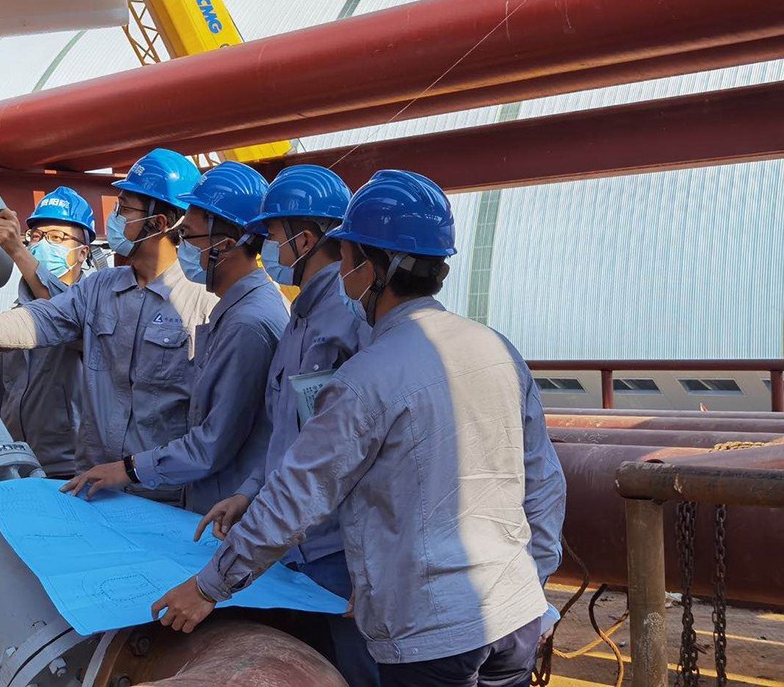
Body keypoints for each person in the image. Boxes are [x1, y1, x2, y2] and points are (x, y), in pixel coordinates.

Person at [151, 170, 566, 687]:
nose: (342, 270)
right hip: (514, 616)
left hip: (433, 631)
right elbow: (545, 480)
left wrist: (209, 587)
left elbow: (300, 493)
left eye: (347, 256)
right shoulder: (495, 347)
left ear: (373, 266)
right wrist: (536, 580)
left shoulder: (369, 373)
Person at [0, 148, 217, 504]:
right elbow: (46, 317)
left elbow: (216, 418)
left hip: (164, 493)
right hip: (93, 485)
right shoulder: (102, 288)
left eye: (125, 208)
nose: (114, 218)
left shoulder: (202, 303)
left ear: (159, 224)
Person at [195, 164, 377, 685]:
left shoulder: (350, 319)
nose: (269, 246)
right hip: (295, 547)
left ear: (305, 237)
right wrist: (251, 491)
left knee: (358, 672)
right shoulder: (299, 317)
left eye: (274, 235)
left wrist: (369, 564)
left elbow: (364, 449)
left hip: (339, 551)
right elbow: (288, 431)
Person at [64, 161, 290, 515]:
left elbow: (212, 444)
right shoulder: (235, 309)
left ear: (225, 245)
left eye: (189, 237)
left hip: (213, 507)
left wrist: (128, 469)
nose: (180, 246)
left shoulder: (248, 324)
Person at [0, 188, 94, 478]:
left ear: (83, 252)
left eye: (57, 237)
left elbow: (62, 313)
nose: (44, 244)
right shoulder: (17, 316)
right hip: (17, 466)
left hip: (71, 470)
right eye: (36, 236)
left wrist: (17, 250)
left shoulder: (96, 307)